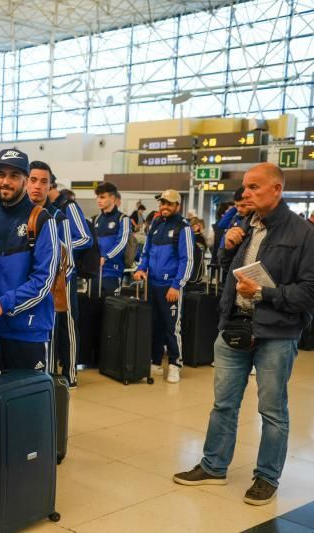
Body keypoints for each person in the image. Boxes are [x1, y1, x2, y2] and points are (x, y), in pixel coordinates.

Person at [173, 163, 314, 506]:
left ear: (277, 190)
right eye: (246, 188)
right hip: (234, 325)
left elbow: (308, 293)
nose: (246, 194)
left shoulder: (303, 234)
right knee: (223, 404)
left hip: (277, 333)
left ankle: (266, 477)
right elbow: (230, 271)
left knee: (272, 409)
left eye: (254, 187)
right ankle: (213, 466)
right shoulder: (244, 226)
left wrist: (264, 294)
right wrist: (226, 245)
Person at [0, 149, 58, 373]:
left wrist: (5, 303)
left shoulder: (41, 220)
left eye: (14, 176)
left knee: (27, 404)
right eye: (1, 174)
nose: (6, 182)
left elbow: (44, 281)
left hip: (27, 332)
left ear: (25, 180)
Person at [133, 189, 193, 384]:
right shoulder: (156, 224)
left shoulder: (183, 227)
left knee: (171, 326)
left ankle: (175, 364)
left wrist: (177, 286)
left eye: (168, 203)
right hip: (152, 285)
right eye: (162, 203)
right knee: (155, 325)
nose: (164, 207)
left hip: (170, 286)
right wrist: (141, 268)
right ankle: (156, 361)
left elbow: (187, 260)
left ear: (178, 206)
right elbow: (146, 251)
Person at [28, 161, 75, 384]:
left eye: (43, 182)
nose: (37, 186)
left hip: (46, 303)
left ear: (50, 186)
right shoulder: (15, 214)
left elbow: (69, 263)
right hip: (17, 299)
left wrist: (46, 289)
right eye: (33, 180)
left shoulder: (58, 218)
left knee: (43, 362)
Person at [44, 164, 91, 386]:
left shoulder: (67, 206)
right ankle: (52, 371)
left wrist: (59, 245)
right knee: (53, 326)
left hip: (67, 275)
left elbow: (85, 237)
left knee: (68, 325)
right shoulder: (46, 208)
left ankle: (71, 374)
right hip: (51, 276)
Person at [92, 182, 130, 297]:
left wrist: (106, 257)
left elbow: (122, 243)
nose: (99, 200)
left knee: (111, 309)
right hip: (95, 272)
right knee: (93, 308)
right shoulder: (96, 219)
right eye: (98, 197)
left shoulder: (123, 219)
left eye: (102, 197)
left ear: (112, 198)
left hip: (113, 271)